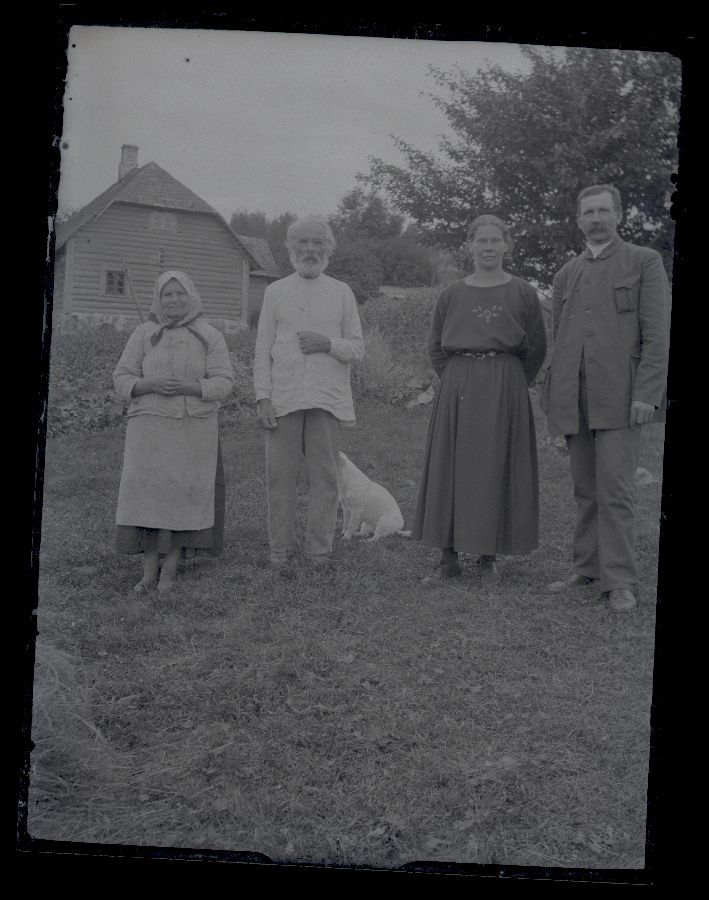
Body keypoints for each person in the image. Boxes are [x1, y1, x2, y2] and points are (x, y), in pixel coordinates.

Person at [541, 184, 671, 611]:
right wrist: (554, 396)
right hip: (574, 397)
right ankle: (587, 566)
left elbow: (658, 336)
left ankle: (620, 580)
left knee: (615, 488)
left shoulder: (645, 261)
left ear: (618, 215)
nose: (595, 219)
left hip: (621, 397)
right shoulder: (566, 274)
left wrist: (647, 394)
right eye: (587, 213)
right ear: (578, 220)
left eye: (603, 211)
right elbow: (561, 339)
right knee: (585, 488)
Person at [412, 215, 547, 584]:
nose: (488, 247)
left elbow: (535, 347)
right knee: (451, 465)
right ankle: (447, 558)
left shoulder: (522, 291)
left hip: (505, 385)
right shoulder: (452, 293)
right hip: (458, 383)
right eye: (481, 241)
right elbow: (436, 347)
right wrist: (460, 376)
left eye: (495, 241)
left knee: (495, 465)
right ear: (469, 245)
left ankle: (488, 557)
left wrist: (511, 381)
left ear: (506, 245)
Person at [113, 270, 234, 593]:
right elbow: (121, 377)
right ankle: (148, 572)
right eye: (168, 294)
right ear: (158, 299)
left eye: (180, 294)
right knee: (149, 498)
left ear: (192, 297)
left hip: (192, 429)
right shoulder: (143, 333)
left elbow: (224, 382)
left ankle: (169, 571)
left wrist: (193, 387)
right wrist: (147, 384)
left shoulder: (210, 335)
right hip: (149, 428)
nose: (174, 300)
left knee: (183, 498)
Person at [253, 216, 364, 568]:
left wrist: (328, 344)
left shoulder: (341, 292)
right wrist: (263, 396)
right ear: (291, 248)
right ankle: (280, 553)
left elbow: (358, 348)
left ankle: (319, 553)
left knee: (325, 479)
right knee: (279, 478)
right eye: (303, 242)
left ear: (328, 249)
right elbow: (261, 350)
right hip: (283, 398)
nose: (310, 249)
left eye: (318, 243)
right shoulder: (275, 291)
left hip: (325, 399)